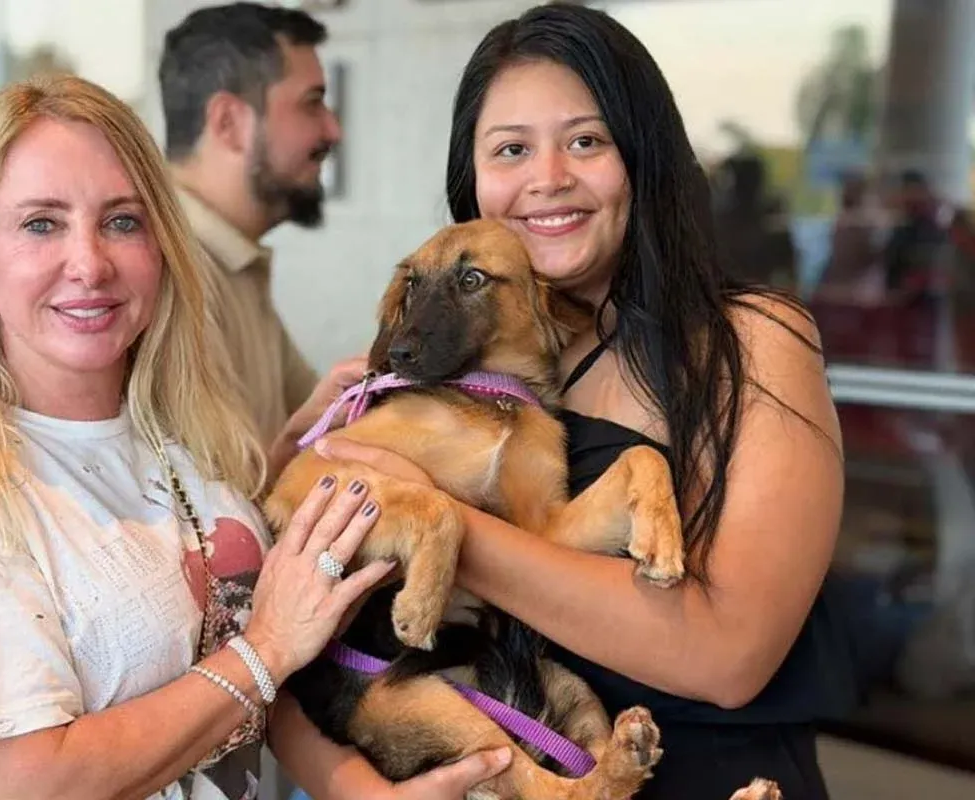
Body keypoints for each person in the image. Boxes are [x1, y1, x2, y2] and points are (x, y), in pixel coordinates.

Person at [0, 74, 508, 800]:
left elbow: (242, 686)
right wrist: (264, 648)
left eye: (122, 221)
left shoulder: (186, 446)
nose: (90, 263)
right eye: (42, 223)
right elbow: (32, 781)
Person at [272, 5, 852, 799]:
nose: (548, 177)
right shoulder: (474, 365)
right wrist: (344, 784)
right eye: (511, 149)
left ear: (642, 157)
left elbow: (729, 658)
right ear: (473, 179)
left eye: (586, 141)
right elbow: (292, 640)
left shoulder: (753, 341)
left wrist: (445, 527)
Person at [159, 3, 364, 471]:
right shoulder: (168, 271)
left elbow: (324, 422)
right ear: (229, 122)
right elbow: (218, 507)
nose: (333, 129)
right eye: (312, 102)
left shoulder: (230, 258)